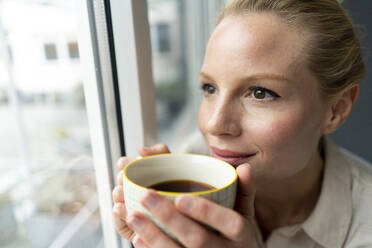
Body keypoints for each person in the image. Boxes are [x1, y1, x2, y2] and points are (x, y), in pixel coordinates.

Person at [112, 0, 372, 247]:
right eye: (210, 88)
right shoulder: (194, 157)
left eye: (260, 93)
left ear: (336, 110)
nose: (215, 125)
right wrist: (153, 235)